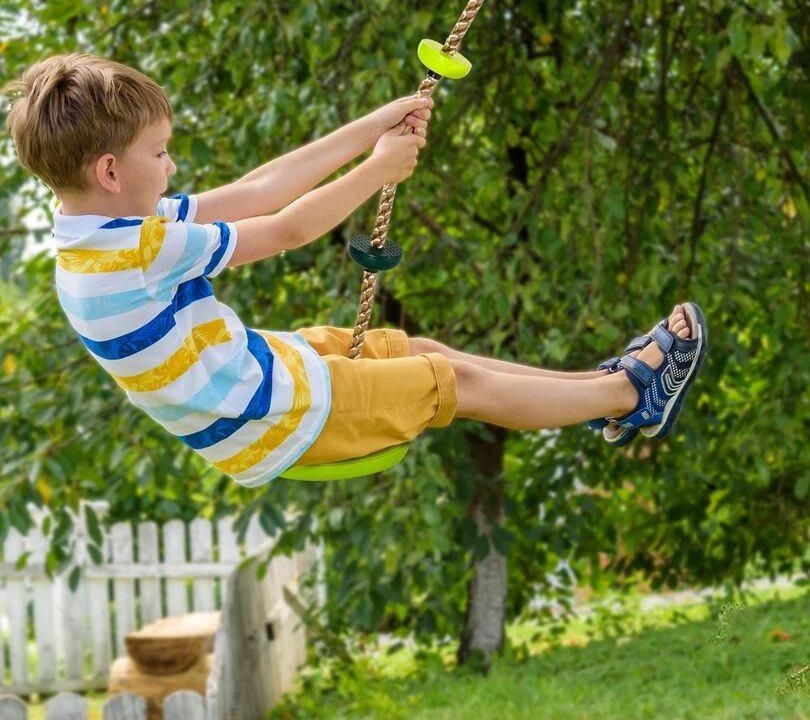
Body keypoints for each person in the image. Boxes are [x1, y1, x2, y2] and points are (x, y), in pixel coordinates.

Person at [2, 53, 707, 486]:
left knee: (421, 350)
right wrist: (378, 170)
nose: (172, 166)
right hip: (271, 417)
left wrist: (374, 127)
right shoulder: (136, 251)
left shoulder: (99, 232)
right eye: (161, 154)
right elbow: (285, 229)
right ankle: (631, 394)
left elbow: (255, 189)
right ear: (110, 170)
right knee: (453, 382)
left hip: (258, 378)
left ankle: (603, 388)